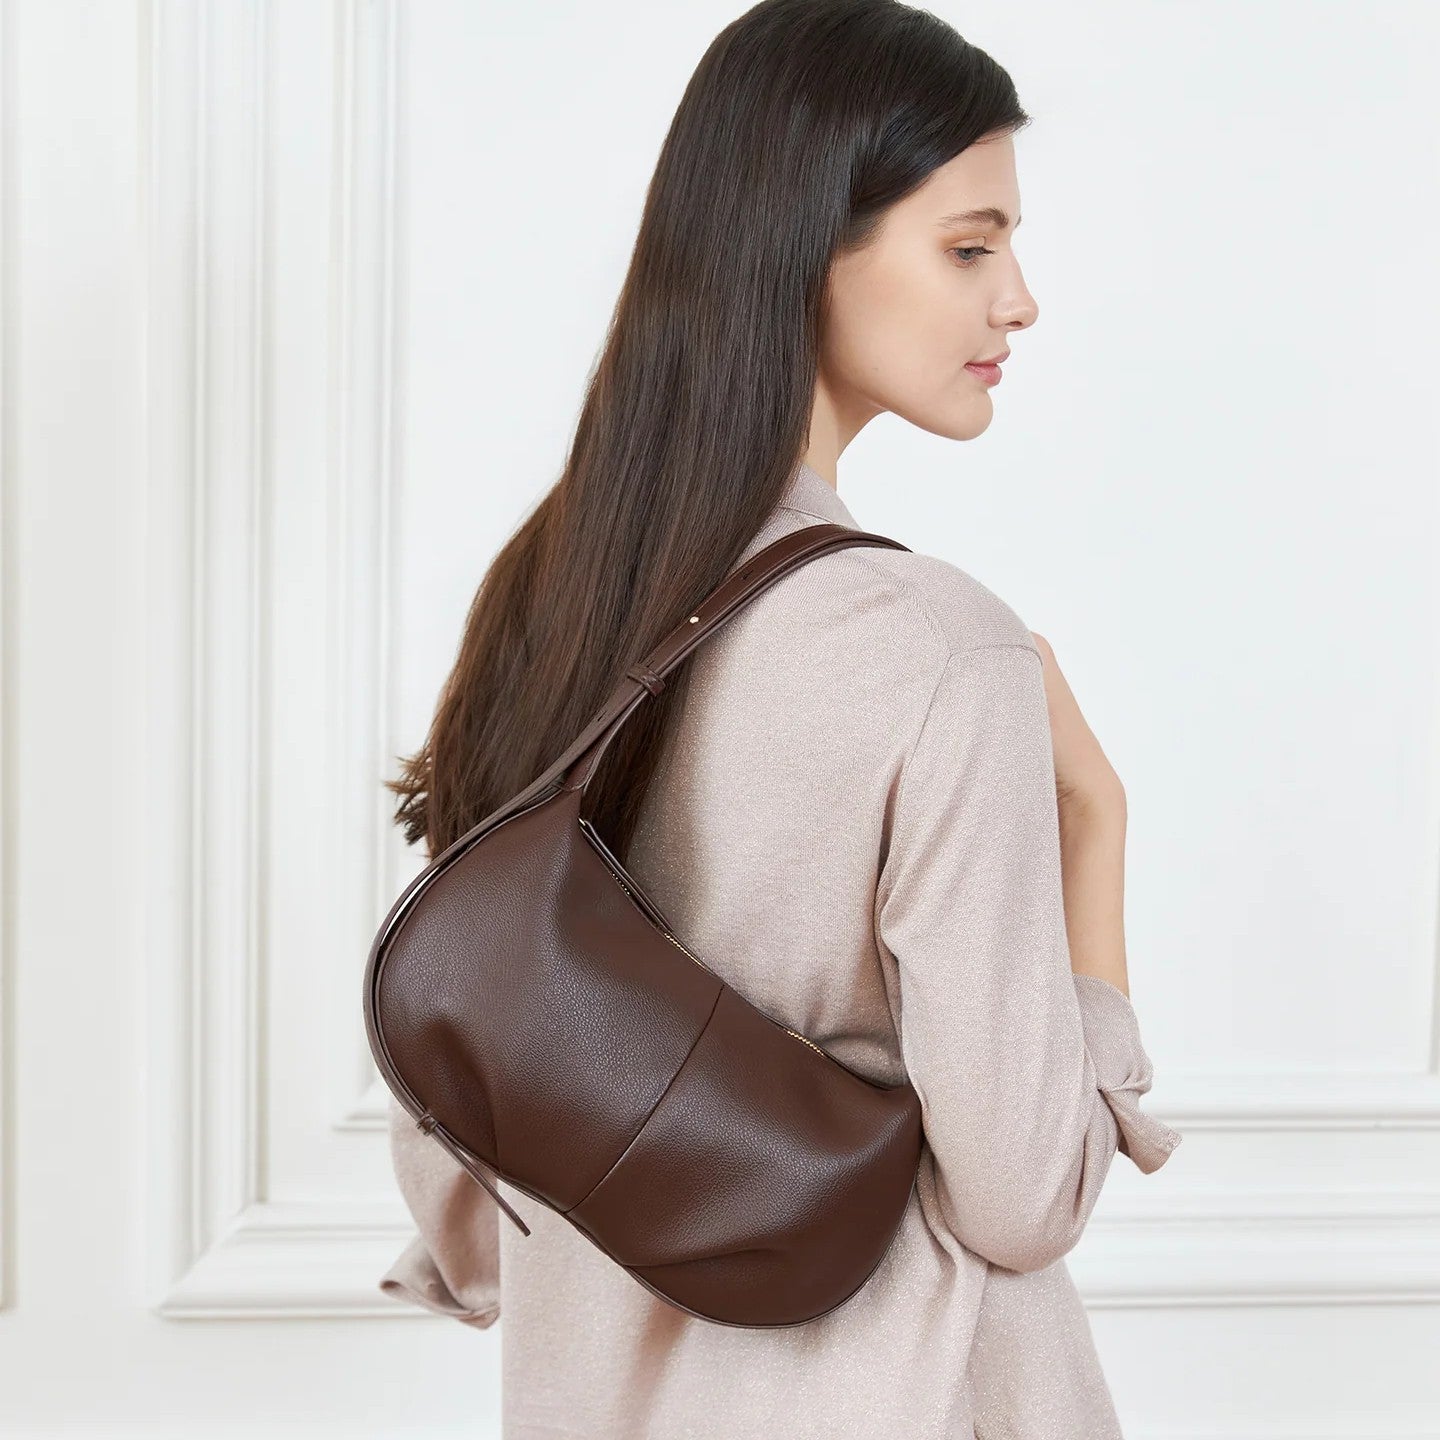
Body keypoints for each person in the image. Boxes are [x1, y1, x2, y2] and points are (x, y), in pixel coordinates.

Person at [376, 0, 1182, 1434]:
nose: (1021, 300)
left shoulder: (546, 604)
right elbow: (1024, 1198)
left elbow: (466, 1208)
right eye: (970, 244)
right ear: (810, 246)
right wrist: (1096, 821)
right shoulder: (938, 649)